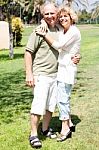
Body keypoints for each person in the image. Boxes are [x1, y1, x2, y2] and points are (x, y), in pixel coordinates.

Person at [25, 3, 80, 148]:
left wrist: (76, 56)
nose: (49, 16)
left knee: (50, 106)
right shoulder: (39, 30)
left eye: (52, 13)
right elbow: (28, 52)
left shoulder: (60, 29)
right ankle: (33, 134)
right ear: (42, 15)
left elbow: (68, 47)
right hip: (41, 75)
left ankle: (45, 129)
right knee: (38, 106)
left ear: (57, 13)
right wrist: (29, 74)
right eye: (46, 14)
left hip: (57, 74)